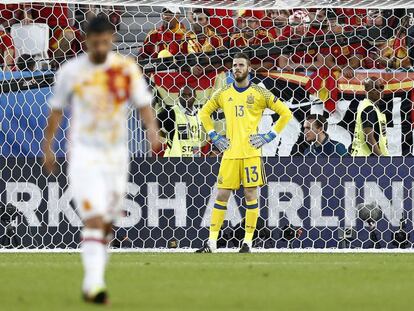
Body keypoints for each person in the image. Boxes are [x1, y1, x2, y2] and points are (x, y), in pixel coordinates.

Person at [42, 16, 160, 304]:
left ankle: (94, 277)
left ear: (112, 39)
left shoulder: (125, 69)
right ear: (86, 40)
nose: (100, 47)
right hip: (83, 153)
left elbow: (144, 104)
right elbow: (56, 110)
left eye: (105, 41)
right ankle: (94, 284)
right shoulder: (72, 71)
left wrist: (153, 132)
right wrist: (47, 146)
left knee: (108, 223)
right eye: (95, 42)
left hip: (116, 155)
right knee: (93, 219)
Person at [196, 52, 292, 253]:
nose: (237, 68)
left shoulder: (260, 93)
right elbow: (204, 113)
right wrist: (214, 136)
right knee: (221, 195)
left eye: (241, 65)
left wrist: (269, 136)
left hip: (251, 153)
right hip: (230, 153)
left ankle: (248, 241)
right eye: (234, 65)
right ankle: (212, 242)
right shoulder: (223, 93)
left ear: (249, 69)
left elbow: (285, 112)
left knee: (250, 194)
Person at [158, 86, 203, 157]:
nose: (187, 98)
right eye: (184, 95)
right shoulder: (171, 112)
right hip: (173, 160)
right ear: (179, 95)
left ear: (195, 96)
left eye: (190, 95)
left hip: (194, 160)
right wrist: (166, 134)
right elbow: (148, 125)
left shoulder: (199, 114)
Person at [351, 77, 389, 156]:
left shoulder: (373, 107)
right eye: (375, 88)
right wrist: (381, 158)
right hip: (367, 158)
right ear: (367, 91)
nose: (379, 90)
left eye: (381, 87)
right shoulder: (369, 108)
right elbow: (369, 138)